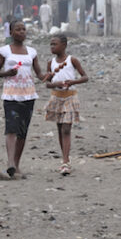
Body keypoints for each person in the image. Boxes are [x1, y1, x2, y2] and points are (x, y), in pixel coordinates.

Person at [0, 21, 49, 179]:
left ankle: (16, 166)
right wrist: (7, 73)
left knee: (23, 132)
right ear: (11, 32)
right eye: (18, 29)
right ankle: (10, 163)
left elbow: (39, 74)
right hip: (11, 95)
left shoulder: (31, 52)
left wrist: (49, 76)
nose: (22, 32)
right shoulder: (5, 51)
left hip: (29, 95)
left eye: (24, 29)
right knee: (11, 128)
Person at [44, 34, 88, 175]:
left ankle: (65, 161)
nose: (52, 47)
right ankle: (64, 159)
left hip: (70, 97)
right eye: (51, 44)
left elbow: (85, 77)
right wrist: (55, 84)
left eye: (54, 44)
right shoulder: (50, 63)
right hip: (56, 97)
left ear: (64, 45)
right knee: (60, 129)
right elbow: (47, 83)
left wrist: (72, 82)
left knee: (66, 129)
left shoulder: (72, 60)